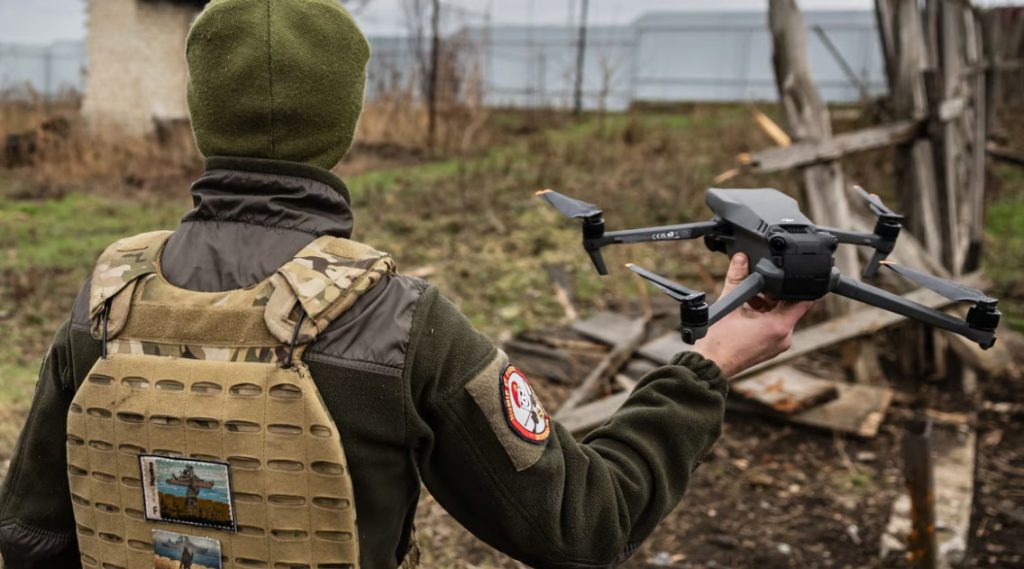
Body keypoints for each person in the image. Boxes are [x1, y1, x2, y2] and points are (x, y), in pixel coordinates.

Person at [0, 1, 813, 568]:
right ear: (345, 121)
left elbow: (31, 538)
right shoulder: (401, 324)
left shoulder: (104, 301)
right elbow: (587, 522)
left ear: (202, 110)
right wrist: (709, 362)